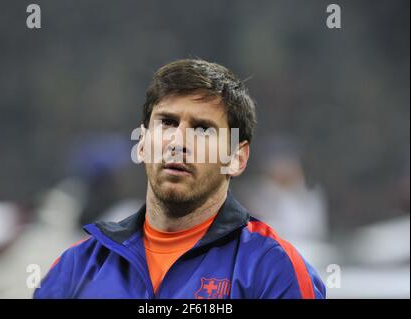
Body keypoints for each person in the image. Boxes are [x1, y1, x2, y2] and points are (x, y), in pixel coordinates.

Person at [34, 59, 325, 299]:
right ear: (143, 143)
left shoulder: (273, 269)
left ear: (236, 158)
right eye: (168, 122)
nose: (178, 142)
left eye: (201, 129)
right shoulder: (76, 268)